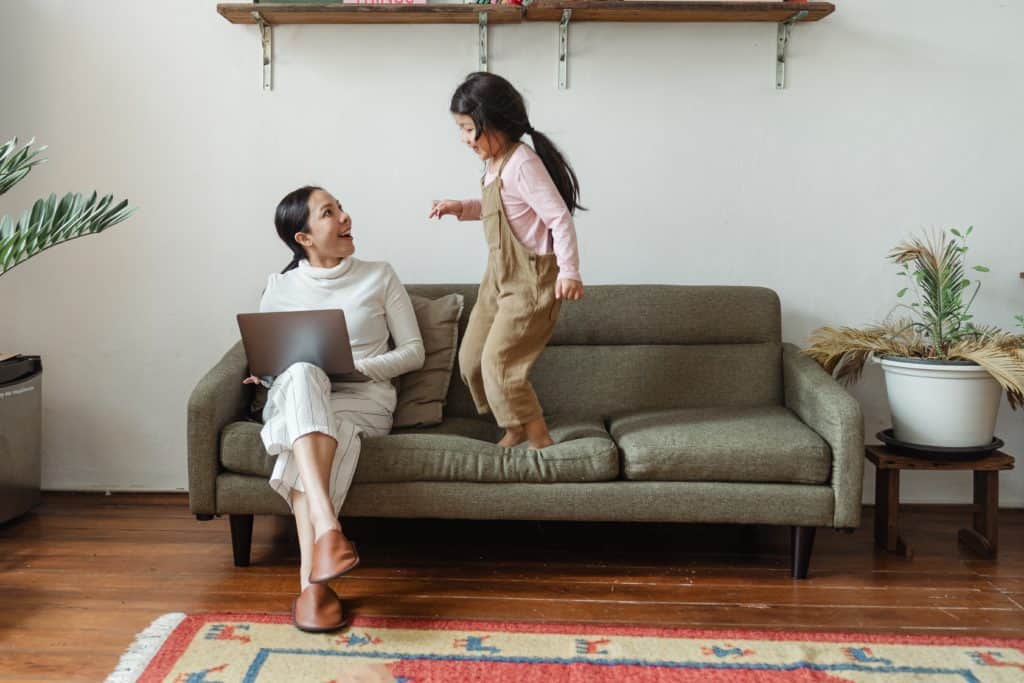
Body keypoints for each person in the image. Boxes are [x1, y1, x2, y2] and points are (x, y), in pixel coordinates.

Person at [247, 185, 424, 632]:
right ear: (304, 237)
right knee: (304, 372)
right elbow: (272, 365)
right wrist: (266, 375)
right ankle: (326, 538)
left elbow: (413, 352)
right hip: (301, 396)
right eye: (329, 212)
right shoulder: (278, 287)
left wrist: (357, 367)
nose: (345, 217)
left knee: (317, 433)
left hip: (364, 399)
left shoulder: (379, 275)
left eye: (341, 208)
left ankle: (314, 583)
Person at [429, 72, 585, 450]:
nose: (465, 139)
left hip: (530, 281)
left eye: (469, 129)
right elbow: (501, 208)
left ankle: (539, 440)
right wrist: (461, 208)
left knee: (500, 366)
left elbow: (558, 218)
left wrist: (569, 271)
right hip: (497, 278)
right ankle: (511, 423)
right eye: (461, 130)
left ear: (496, 122)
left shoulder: (522, 163)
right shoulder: (495, 164)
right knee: (470, 361)